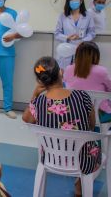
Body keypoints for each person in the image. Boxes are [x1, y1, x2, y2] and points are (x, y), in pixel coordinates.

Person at [23, 57, 101, 196]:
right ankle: (80, 184)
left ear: (40, 81)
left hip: (51, 158)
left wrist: (34, 94)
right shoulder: (82, 96)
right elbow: (91, 125)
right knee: (99, 146)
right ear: (61, 72)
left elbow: (27, 119)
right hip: (82, 160)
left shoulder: (39, 102)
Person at [63, 41, 111, 122]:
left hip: (73, 112)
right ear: (96, 55)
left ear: (77, 55)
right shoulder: (102, 71)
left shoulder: (68, 69)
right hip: (100, 115)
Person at [55, 0, 96, 70]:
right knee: (65, 78)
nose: (73, 1)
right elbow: (57, 33)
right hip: (66, 52)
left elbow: (92, 33)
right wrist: (67, 37)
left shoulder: (88, 16)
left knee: (80, 77)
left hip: (82, 50)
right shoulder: (63, 16)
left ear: (81, 1)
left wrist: (83, 41)